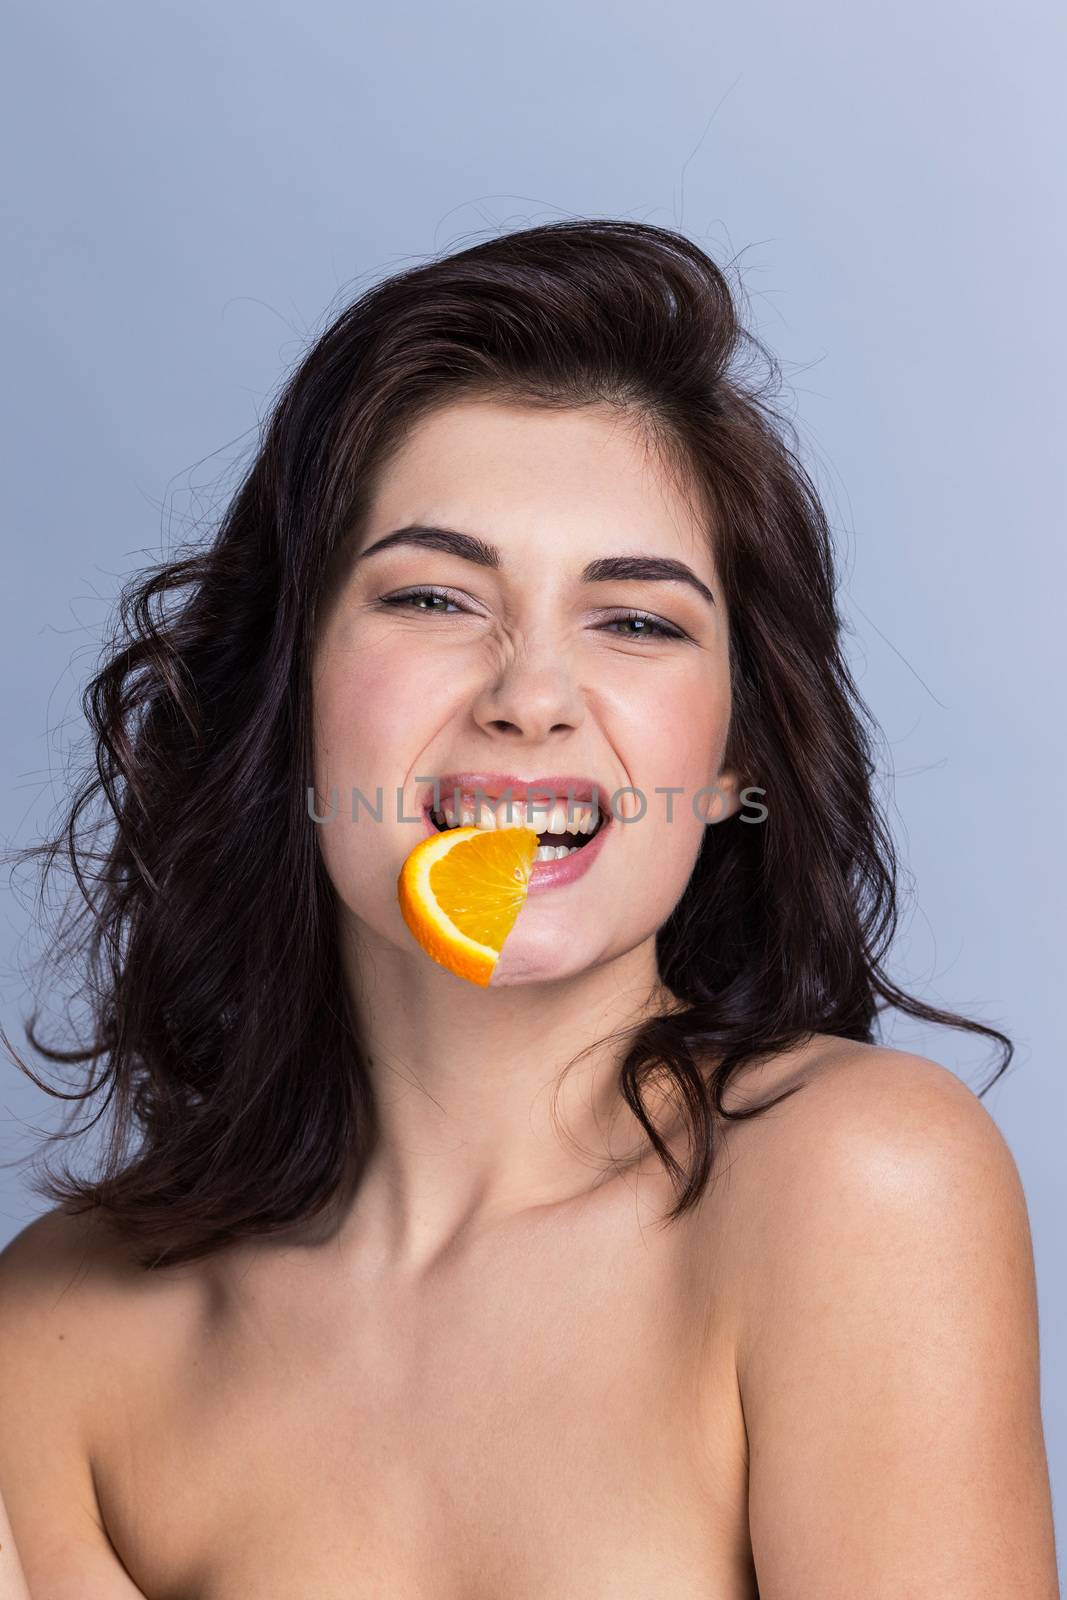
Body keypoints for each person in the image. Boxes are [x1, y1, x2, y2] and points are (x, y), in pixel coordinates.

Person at [0, 219, 1058, 1598]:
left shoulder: (857, 1188)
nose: (531, 693)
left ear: (732, 757)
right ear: (289, 698)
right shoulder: (55, 1334)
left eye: (637, 622)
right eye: (435, 596)